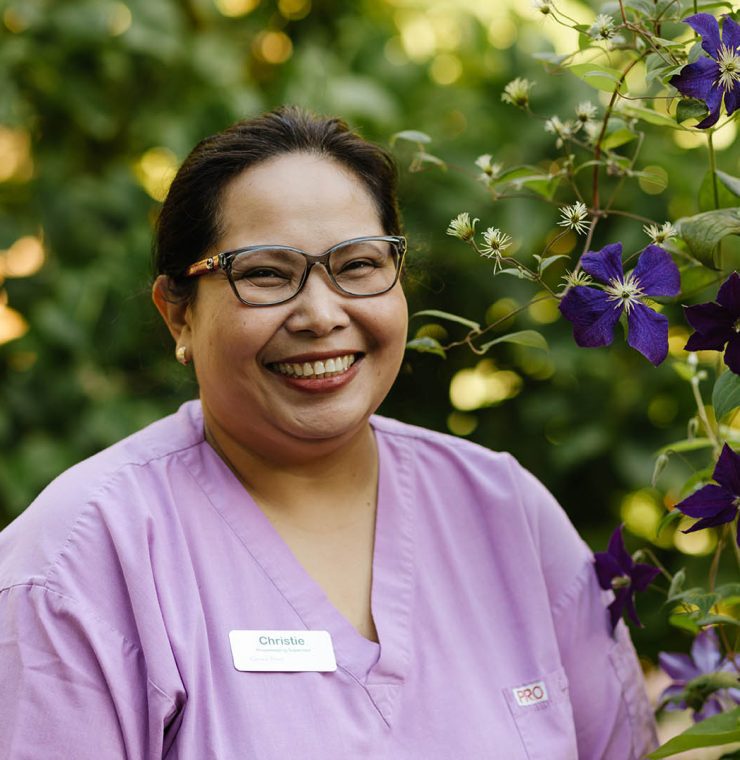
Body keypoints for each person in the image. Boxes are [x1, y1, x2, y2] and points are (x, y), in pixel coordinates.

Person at [0, 106, 657, 759]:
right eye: (265, 273)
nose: (320, 314)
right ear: (179, 316)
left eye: (359, 264)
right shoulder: (76, 565)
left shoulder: (509, 516)